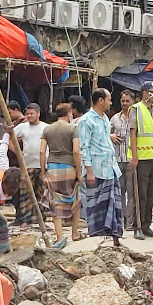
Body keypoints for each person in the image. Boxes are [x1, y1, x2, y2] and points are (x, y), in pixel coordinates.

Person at [79, 89, 124, 245]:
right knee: (96, 206)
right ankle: (96, 240)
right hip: (97, 170)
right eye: (109, 100)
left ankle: (115, 239)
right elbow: (84, 147)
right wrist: (89, 171)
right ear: (100, 100)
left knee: (114, 204)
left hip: (110, 168)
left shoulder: (105, 119)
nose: (111, 103)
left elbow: (103, 139)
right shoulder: (86, 121)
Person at [39, 103, 82, 247]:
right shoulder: (73, 129)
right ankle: (75, 233)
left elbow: (42, 152)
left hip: (52, 168)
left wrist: (43, 173)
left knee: (55, 202)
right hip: (69, 168)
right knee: (75, 199)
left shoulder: (47, 129)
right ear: (69, 112)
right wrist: (79, 172)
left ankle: (59, 237)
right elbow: (76, 151)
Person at [130, 82, 153, 239]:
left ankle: (147, 225)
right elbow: (133, 133)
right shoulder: (136, 109)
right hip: (142, 158)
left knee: (152, 194)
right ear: (145, 92)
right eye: (152, 91)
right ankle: (137, 226)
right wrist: (134, 156)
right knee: (140, 194)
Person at [13, 103, 47, 226]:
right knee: (26, 193)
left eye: (32, 113)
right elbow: (10, 137)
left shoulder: (46, 127)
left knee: (41, 192)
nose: (29, 116)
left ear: (38, 114)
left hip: (43, 165)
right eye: (27, 114)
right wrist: (18, 152)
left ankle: (41, 219)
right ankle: (25, 219)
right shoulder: (22, 127)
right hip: (27, 164)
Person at [110, 90, 137, 231]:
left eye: (127, 101)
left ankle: (130, 223)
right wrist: (110, 136)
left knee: (132, 193)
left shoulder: (137, 117)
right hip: (118, 160)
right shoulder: (114, 118)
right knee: (119, 192)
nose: (125, 103)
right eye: (123, 101)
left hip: (132, 160)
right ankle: (120, 221)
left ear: (133, 101)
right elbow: (105, 133)